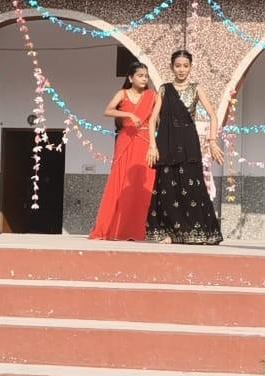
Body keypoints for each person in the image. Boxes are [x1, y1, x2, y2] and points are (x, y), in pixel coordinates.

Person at [145, 50, 224, 245]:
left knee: (192, 187)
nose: (181, 69)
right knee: (166, 188)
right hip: (167, 143)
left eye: (185, 66)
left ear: (190, 67)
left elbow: (213, 115)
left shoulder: (196, 89)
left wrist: (212, 141)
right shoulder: (164, 89)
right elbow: (153, 119)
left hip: (188, 143)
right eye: (178, 66)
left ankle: (195, 231)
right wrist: (152, 146)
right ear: (172, 67)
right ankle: (168, 232)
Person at [89, 61, 157, 241]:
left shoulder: (152, 96)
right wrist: (129, 114)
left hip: (145, 141)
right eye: (140, 76)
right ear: (131, 78)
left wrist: (154, 145)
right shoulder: (123, 93)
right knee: (120, 182)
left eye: (146, 76)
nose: (144, 79)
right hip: (126, 139)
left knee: (143, 184)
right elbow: (107, 111)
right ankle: (113, 228)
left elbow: (156, 120)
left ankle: (139, 229)